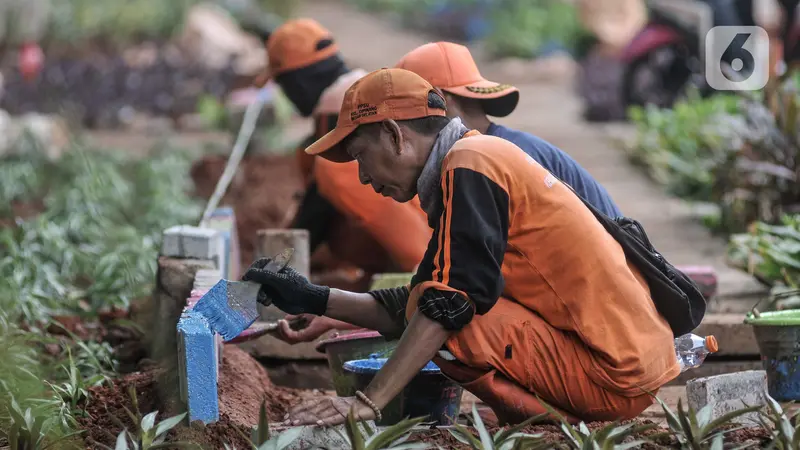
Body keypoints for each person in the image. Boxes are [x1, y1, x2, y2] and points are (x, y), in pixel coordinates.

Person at [242, 68, 679, 426]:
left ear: (395, 136)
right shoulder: (469, 164)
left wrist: (366, 403)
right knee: (435, 305)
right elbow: (413, 304)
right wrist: (314, 298)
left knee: (454, 317)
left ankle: (545, 420)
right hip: (625, 367)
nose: (361, 177)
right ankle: (539, 418)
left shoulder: (474, 163)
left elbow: (447, 306)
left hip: (613, 375)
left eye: (360, 156)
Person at [273, 42, 625, 345]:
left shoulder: (489, 162)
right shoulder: (485, 154)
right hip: (584, 310)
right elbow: (433, 280)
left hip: (598, 324)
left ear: (438, 105)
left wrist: (373, 399)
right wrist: (341, 313)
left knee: (451, 316)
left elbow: (454, 295)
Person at [253, 19, 432, 286]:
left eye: (282, 85)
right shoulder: (359, 100)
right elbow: (317, 205)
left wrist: (278, 264)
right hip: (428, 250)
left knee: (330, 170)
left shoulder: (347, 133)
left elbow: (318, 209)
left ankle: (413, 281)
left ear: (296, 83)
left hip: (428, 268)